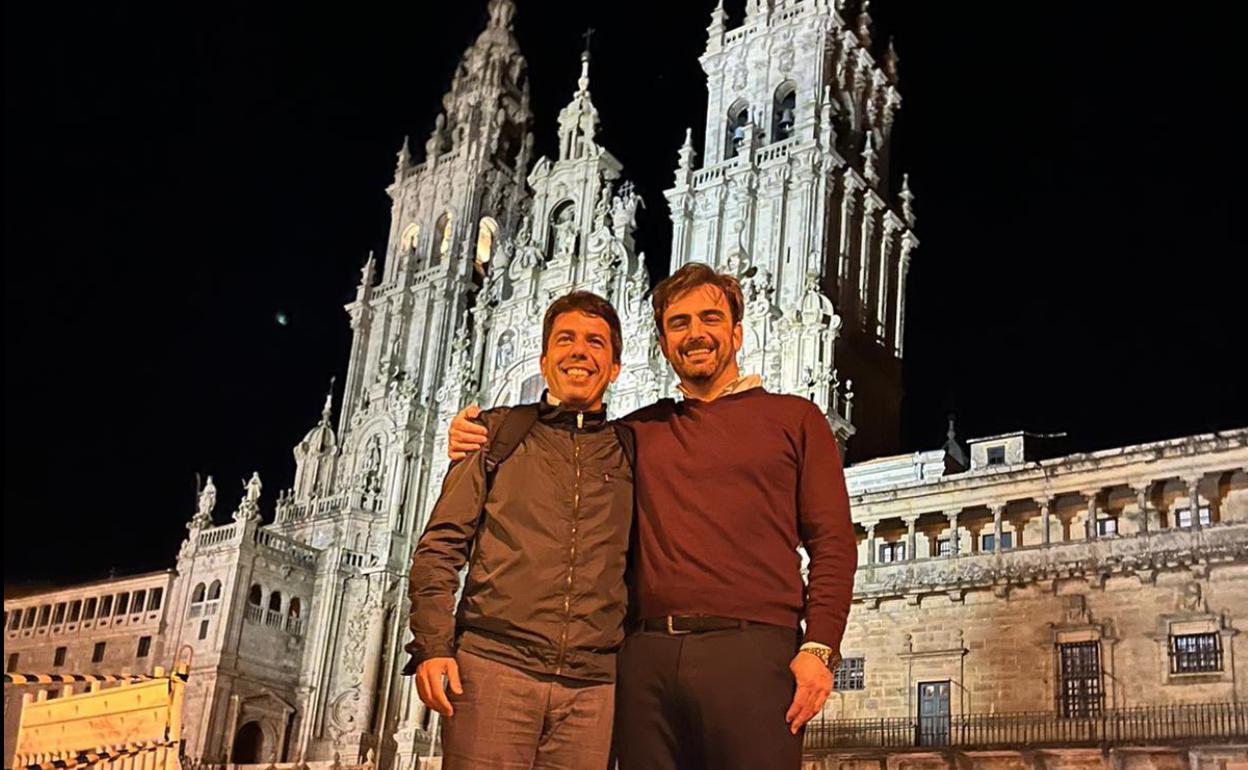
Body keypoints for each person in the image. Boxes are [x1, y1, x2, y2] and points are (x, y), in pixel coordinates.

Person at [449, 262, 858, 770]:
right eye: (678, 324)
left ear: (736, 332)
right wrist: (481, 429)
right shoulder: (637, 431)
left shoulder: (795, 418)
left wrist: (819, 648)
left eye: (710, 318)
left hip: (754, 654)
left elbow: (833, 542)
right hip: (644, 662)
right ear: (664, 344)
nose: (695, 334)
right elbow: (566, 432)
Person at [405, 291, 635, 770]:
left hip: (590, 690)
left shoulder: (632, 450)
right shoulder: (494, 436)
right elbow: (441, 547)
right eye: (566, 339)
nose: (579, 352)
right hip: (494, 671)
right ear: (544, 358)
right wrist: (432, 646)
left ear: (614, 367)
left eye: (596, 342)